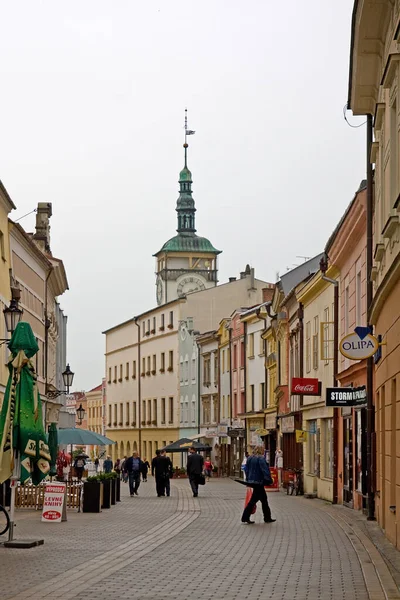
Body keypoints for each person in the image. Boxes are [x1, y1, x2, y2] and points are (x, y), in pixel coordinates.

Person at [241, 447, 276, 525]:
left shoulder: (249, 458)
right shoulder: (261, 459)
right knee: (254, 501)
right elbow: (265, 470)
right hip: (259, 482)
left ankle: (267, 517)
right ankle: (246, 517)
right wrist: (269, 480)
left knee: (264, 500)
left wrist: (248, 479)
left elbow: (246, 469)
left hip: (252, 481)